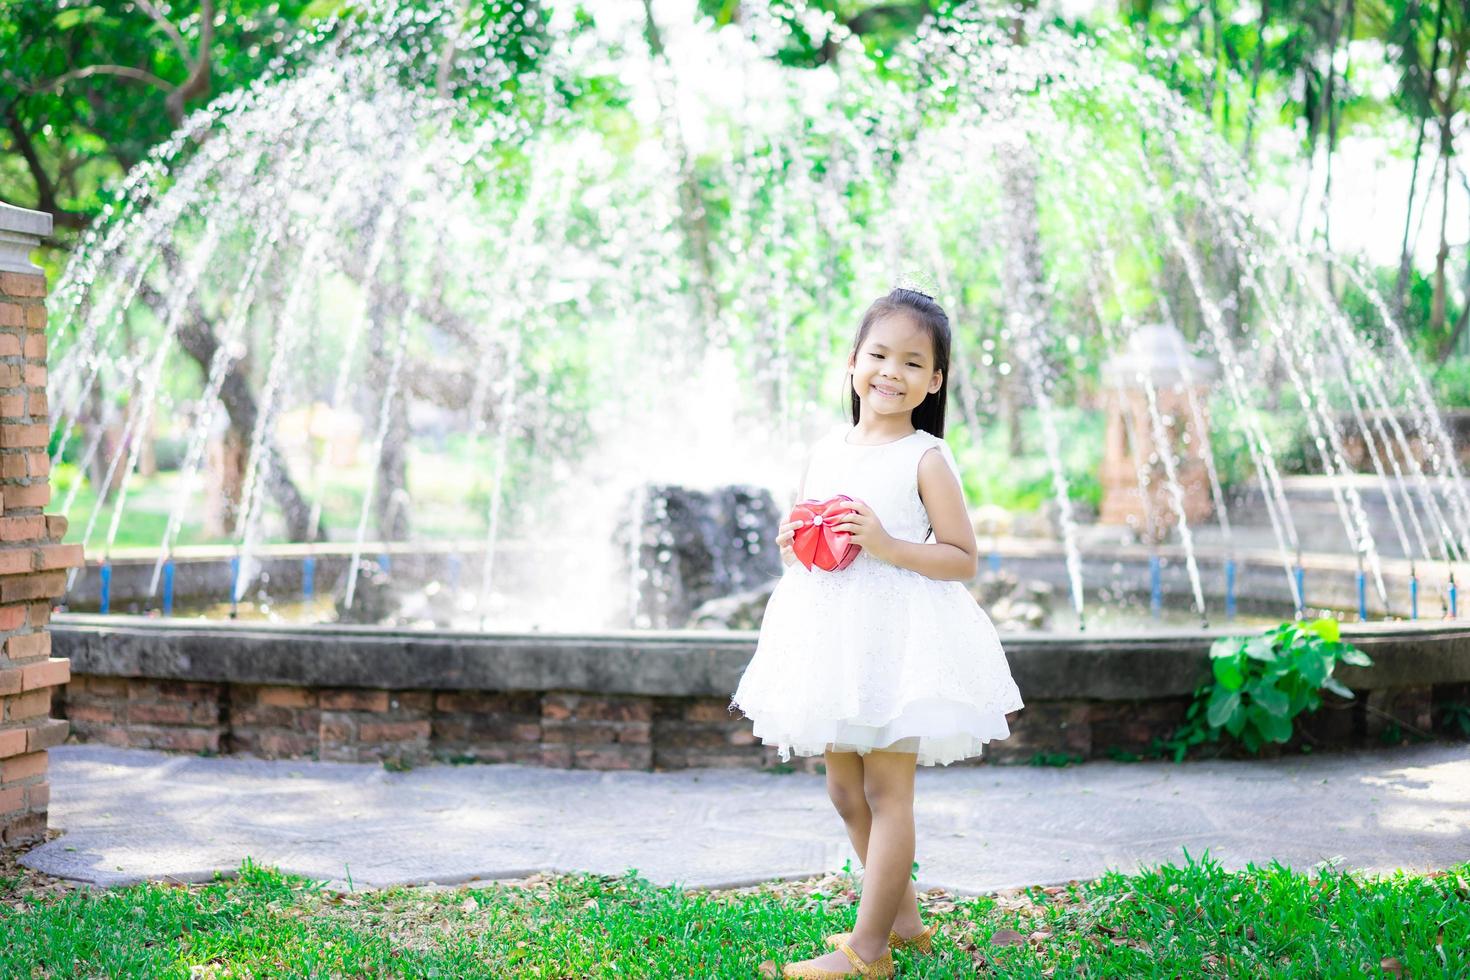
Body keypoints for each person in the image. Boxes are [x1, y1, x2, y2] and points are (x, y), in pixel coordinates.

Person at [729, 286, 1025, 978]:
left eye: (913, 362)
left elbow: (961, 559)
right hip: (833, 637)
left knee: (889, 792)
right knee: (843, 791)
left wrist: (889, 543)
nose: (892, 372)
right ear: (853, 362)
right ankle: (907, 921)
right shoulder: (826, 446)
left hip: (898, 639)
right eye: (880, 355)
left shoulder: (926, 458)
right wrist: (794, 537)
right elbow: (816, 532)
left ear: (935, 380)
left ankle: (868, 953)